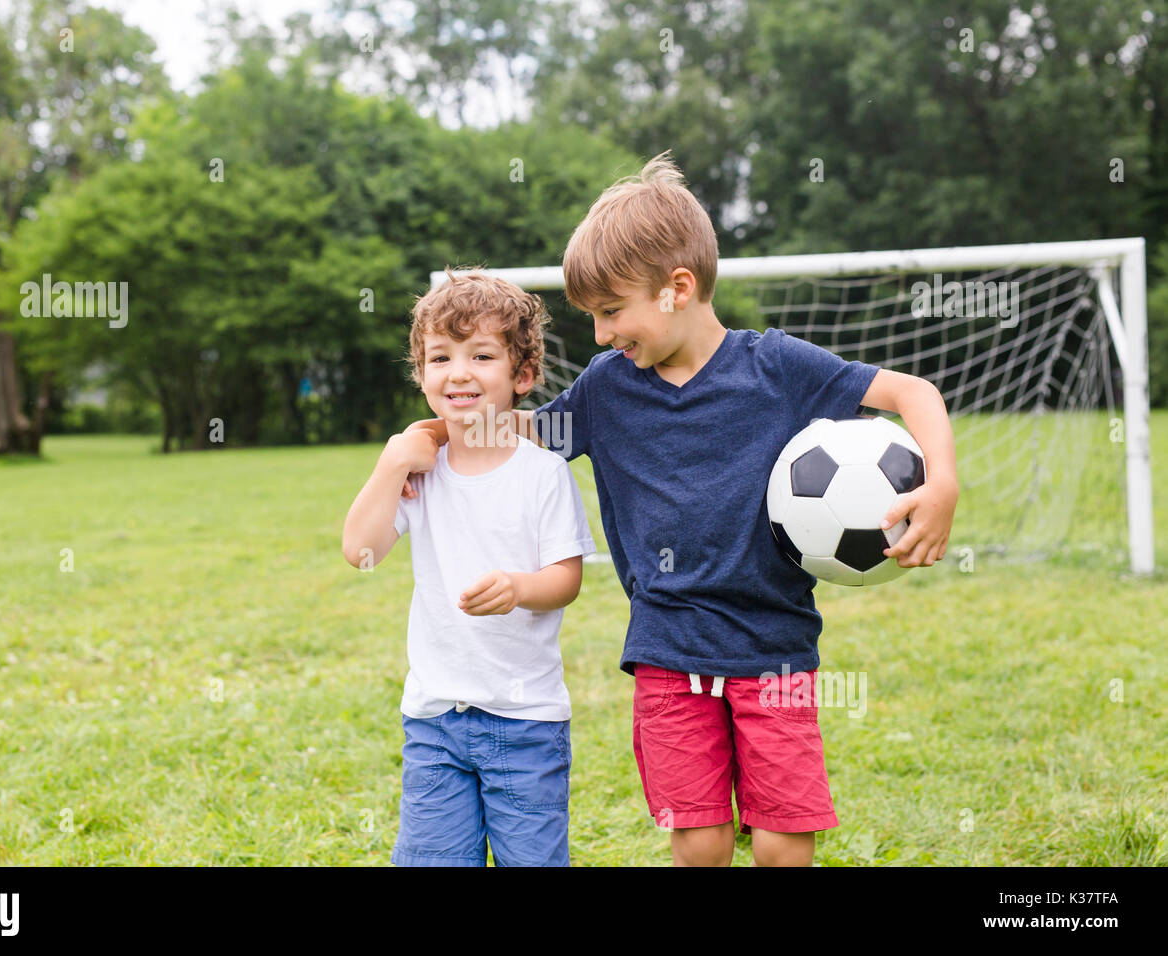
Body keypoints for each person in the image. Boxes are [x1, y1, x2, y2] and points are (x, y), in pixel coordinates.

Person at [402, 153, 959, 866]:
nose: (602, 335)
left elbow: (916, 395)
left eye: (611, 312)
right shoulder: (608, 389)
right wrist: (421, 441)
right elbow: (523, 431)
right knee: (697, 842)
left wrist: (940, 484)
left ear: (678, 289)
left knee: (785, 843)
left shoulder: (777, 367)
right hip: (666, 654)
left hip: (774, 650)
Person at [342, 270, 597, 866]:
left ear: (523, 375)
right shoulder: (420, 473)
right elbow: (361, 552)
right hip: (435, 723)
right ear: (422, 375)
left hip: (526, 723)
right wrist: (391, 463)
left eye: (481, 355)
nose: (458, 371)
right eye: (440, 357)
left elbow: (566, 580)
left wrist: (518, 588)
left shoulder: (542, 473)